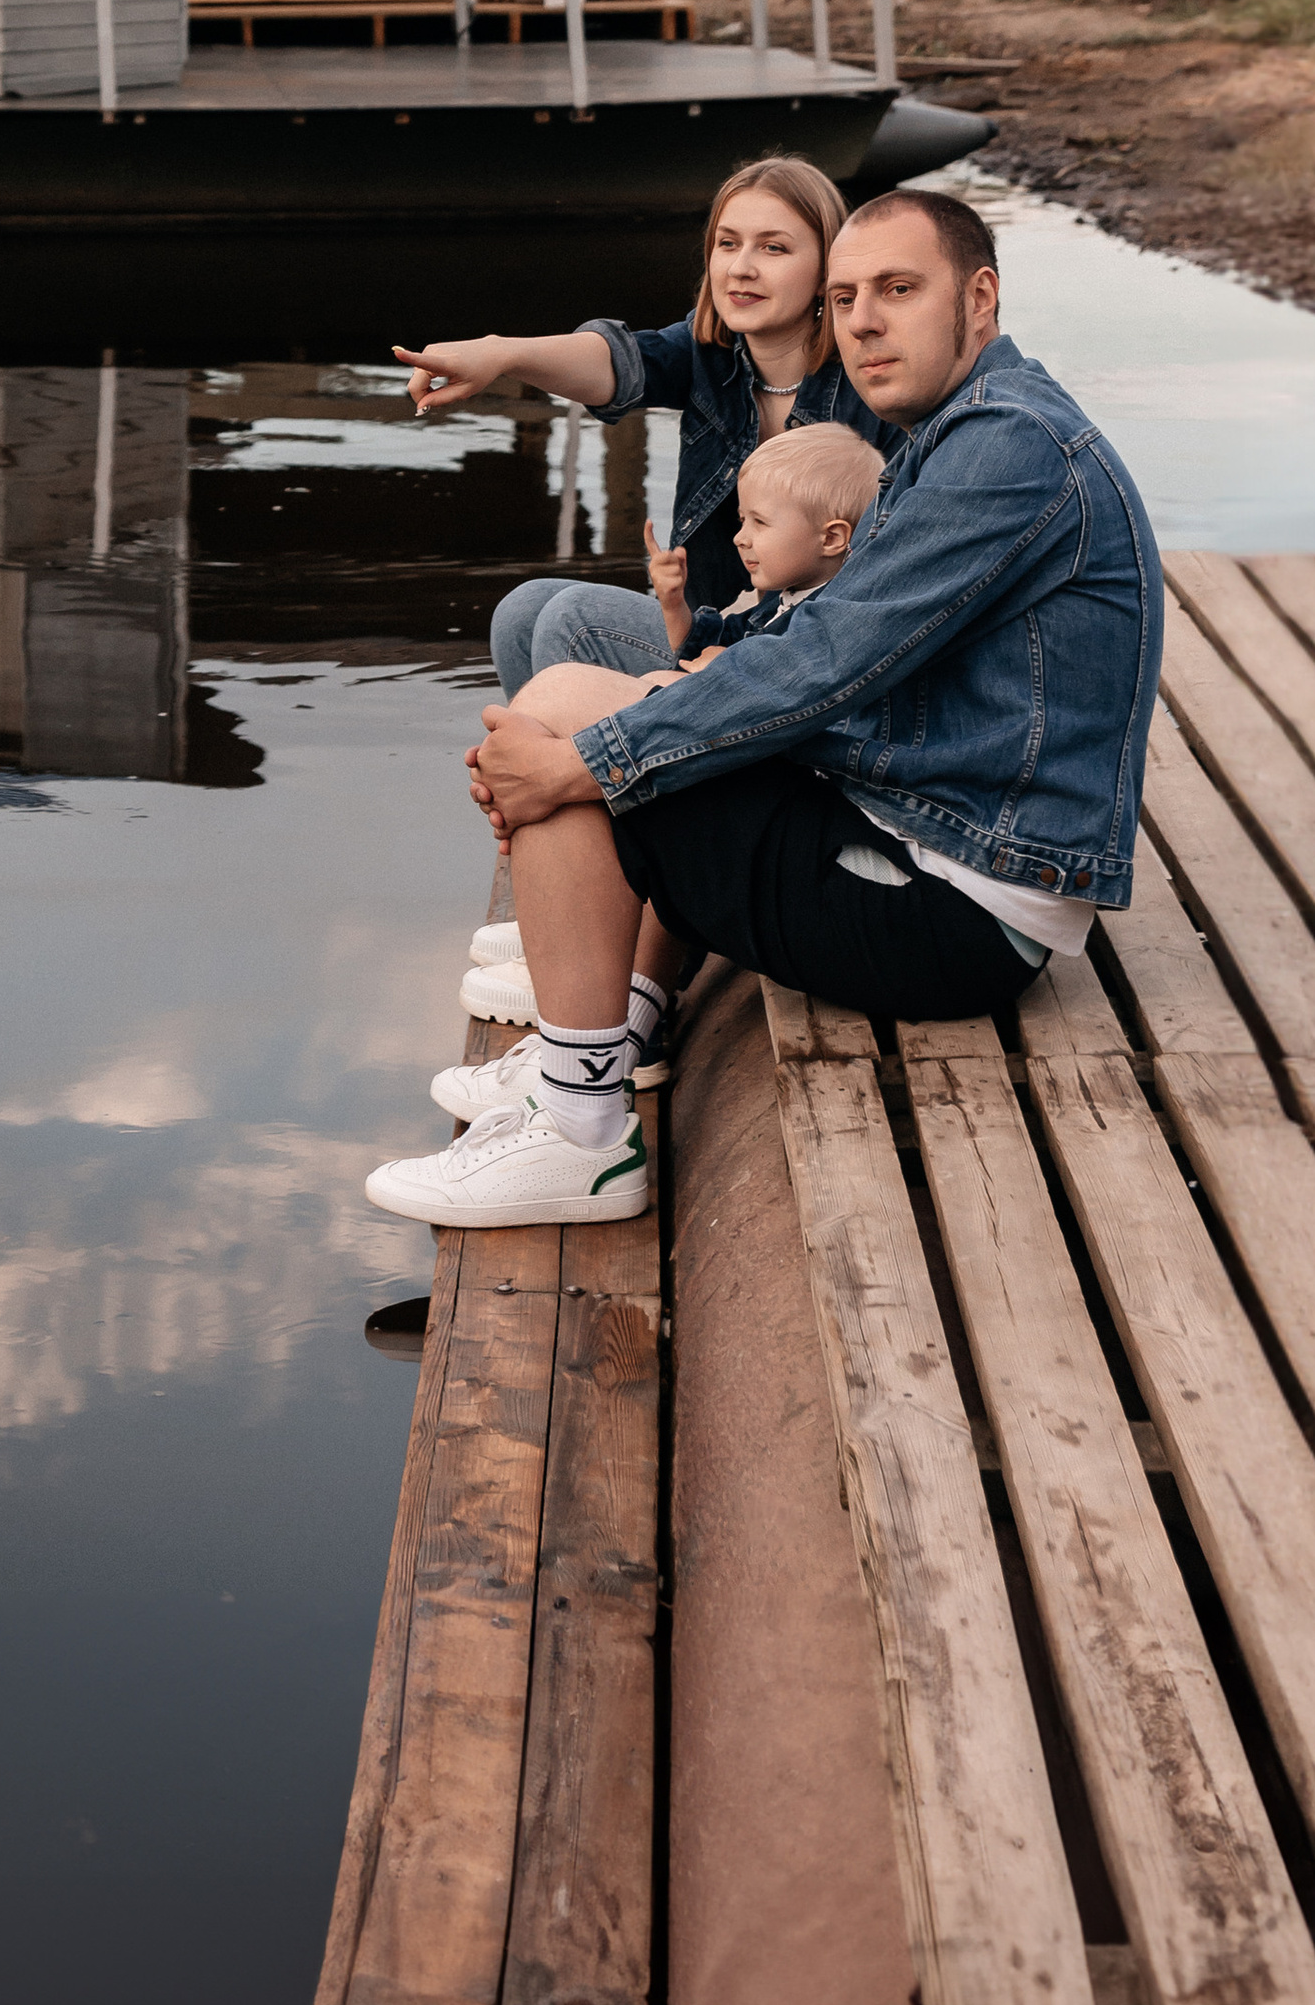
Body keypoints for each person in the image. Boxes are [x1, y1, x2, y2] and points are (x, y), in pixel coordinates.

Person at [366, 186, 1163, 1231]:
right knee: (571, 700)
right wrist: (671, 690)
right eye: (844, 299)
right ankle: (613, 1038)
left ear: (979, 297)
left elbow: (831, 659)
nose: (863, 321)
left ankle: (580, 1134)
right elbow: (821, 644)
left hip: (960, 907)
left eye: (897, 290)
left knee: (577, 746)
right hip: (920, 828)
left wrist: (597, 757)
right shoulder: (954, 428)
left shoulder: (1007, 451)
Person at [433, 421, 888, 1135]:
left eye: (759, 523)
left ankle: (591, 1074)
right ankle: (606, 1012)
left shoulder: (830, 618)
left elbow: (768, 690)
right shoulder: (776, 604)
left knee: (600, 727)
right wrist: (675, 612)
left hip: (816, 823)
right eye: (742, 519)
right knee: (586, 691)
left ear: (832, 538)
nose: (739, 537)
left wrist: (689, 685)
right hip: (794, 803)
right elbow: (711, 651)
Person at [394, 156, 888, 704]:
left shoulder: (871, 385)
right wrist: (501, 354)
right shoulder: (712, 357)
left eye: (773, 248)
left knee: (573, 619)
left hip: (798, 650)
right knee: (522, 610)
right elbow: (617, 362)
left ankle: (581, 778)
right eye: (728, 244)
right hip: (710, 626)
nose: (741, 268)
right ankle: (551, 778)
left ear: (826, 271)